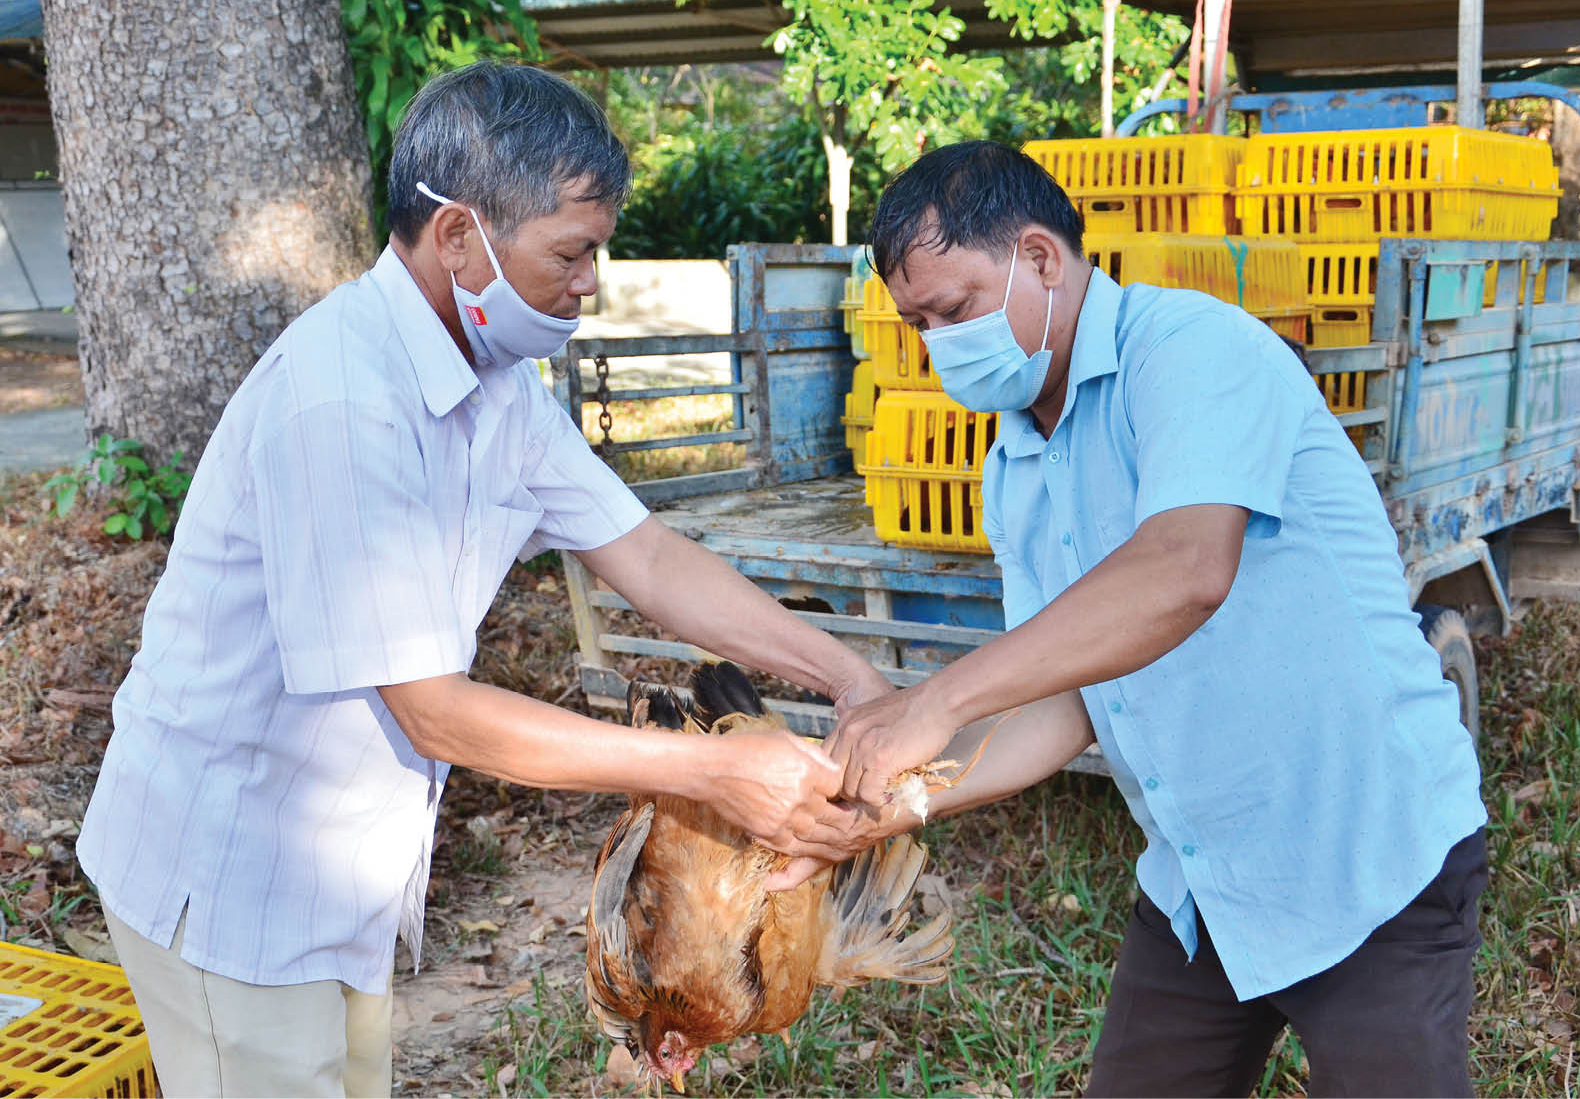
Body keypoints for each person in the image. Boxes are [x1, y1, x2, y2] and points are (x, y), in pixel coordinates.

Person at [75, 61, 888, 1098]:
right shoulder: (343, 402)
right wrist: (714, 774)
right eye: (573, 251)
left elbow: (645, 556)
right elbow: (434, 712)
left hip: (342, 873)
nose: (591, 282)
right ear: (459, 236)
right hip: (233, 875)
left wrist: (842, 672)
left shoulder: (501, 387)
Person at [808, 141, 1489, 1097]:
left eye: (954, 309)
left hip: (1364, 851)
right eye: (918, 323)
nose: (938, 343)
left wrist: (937, 701)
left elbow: (1183, 570)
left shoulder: (1190, 351)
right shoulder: (1013, 467)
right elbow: (1066, 701)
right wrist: (897, 802)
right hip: (1202, 881)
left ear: (1041, 258)